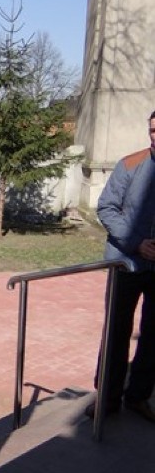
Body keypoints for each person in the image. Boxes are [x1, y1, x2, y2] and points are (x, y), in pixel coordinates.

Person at [91, 111, 155, 423]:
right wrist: (136, 242)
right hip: (126, 263)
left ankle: (138, 396)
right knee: (117, 333)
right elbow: (106, 207)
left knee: (153, 336)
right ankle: (107, 398)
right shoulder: (130, 164)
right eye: (153, 130)